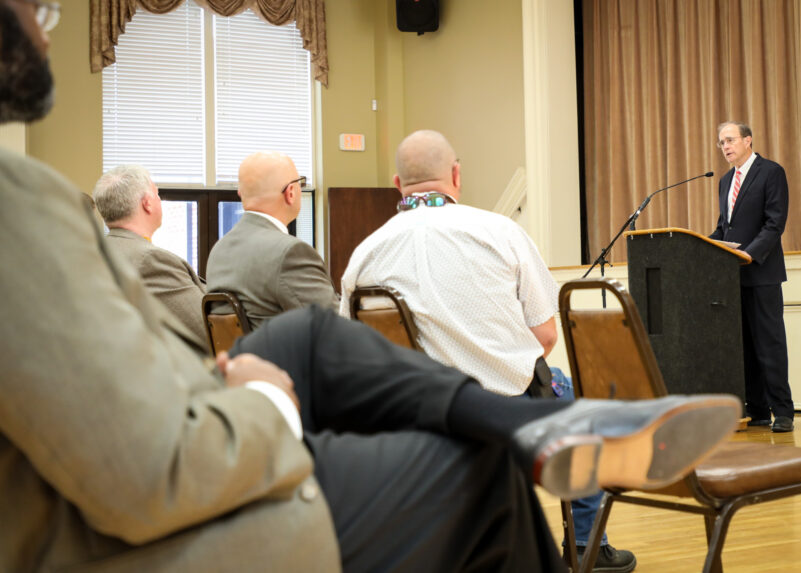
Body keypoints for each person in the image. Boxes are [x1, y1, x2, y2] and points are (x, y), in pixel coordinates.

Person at [0, 3, 741, 571]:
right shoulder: (14, 203)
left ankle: (523, 425)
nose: (44, 24)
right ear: (455, 178)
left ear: (396, 185)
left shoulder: (348, 250)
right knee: (479, 462)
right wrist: (265, 397)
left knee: (317, 334)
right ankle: (524, 427)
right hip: (159, 514)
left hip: (199, 404)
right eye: (38, 9)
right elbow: (146, 467)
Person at [339, 130, 634, 571]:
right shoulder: (500, 231)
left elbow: (355, 347)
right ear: (456, 175)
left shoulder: (365, 253)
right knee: (577, 402)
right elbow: (546, 336)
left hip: (411, 414)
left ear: (397, 185)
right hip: (506, 406)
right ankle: (587, 544)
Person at [710, 121, 794, 433]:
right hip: (734, 275)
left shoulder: (771, 172)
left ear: (748, 140)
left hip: (762, 271)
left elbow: (775, 222)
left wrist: (751, 253)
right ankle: (757, 410)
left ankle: (783, 411)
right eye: (721, 142)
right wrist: (703, 244)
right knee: (744, 344)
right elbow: (724, 228)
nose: (725, 147)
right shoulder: (725, 180)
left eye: (730, 140)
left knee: (769, 344)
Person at [206, 151, 338, 329]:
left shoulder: (219, 251)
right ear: (290, 192)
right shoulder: (290, 253)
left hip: (241, 355)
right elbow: (335, 327)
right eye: (300, 183)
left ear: (240, 193)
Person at [93, 165, 209, 351]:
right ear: (147, 203)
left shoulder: (97, 250)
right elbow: (208, 331)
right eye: (157, 194)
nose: (159, 200)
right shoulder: (151, 260)